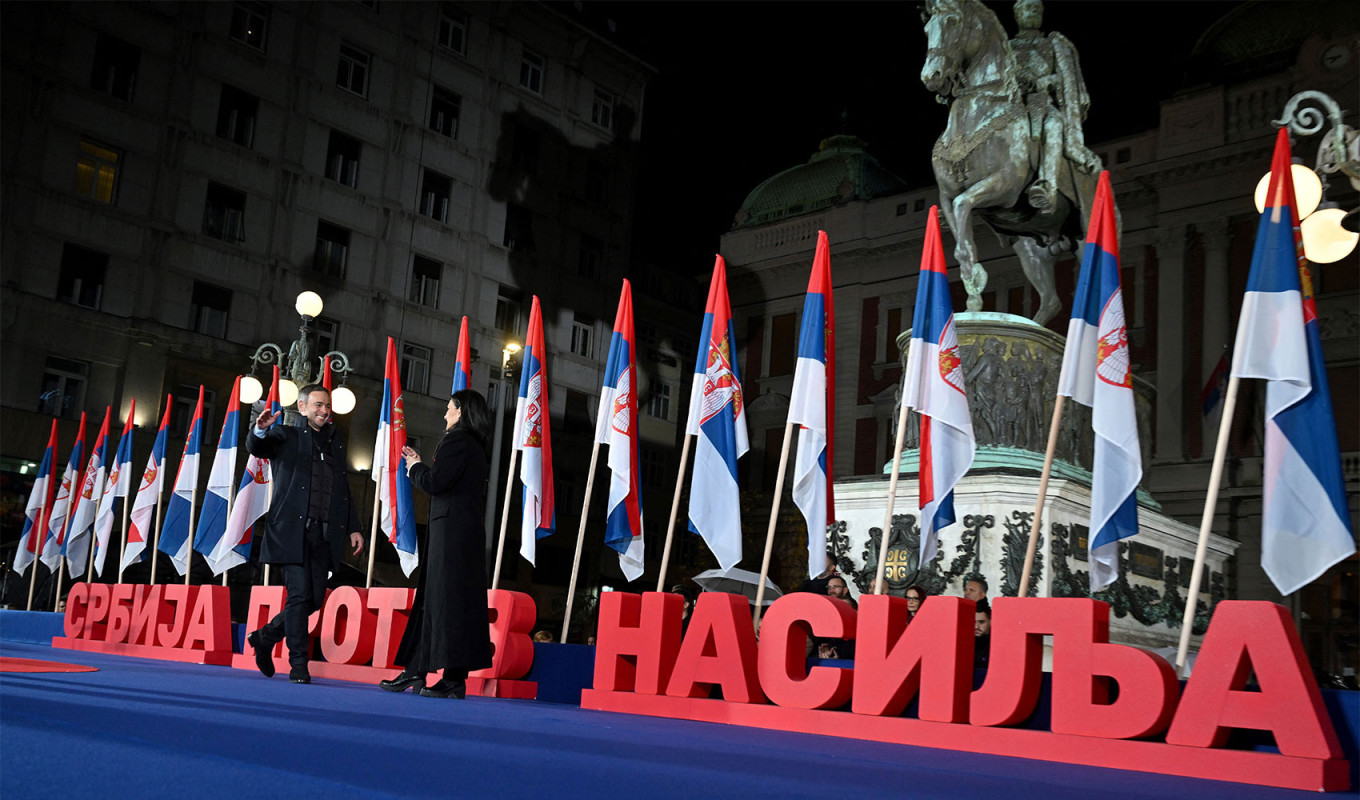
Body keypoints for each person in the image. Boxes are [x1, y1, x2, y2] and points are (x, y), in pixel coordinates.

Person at [379, 389, 493, 699]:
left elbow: (436, 483)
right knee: (443, 601)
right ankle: (424, 671)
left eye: (449, 408)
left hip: (451, 536)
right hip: (462, 535)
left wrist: (415, 467)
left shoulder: (457, 441)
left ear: (461, 412)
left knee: (444, 602)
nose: (445, 415)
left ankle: (443, 677)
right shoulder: (475, 446)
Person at [246, 385, 363, 684]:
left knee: (312, 600)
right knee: (298, 596)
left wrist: (353, 527)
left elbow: (342, 490)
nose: (324, 410)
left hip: (323, 536)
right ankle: (299, 663)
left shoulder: (336, 444)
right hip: (290, 532)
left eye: (327, 406)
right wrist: (259, 430)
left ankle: (265, 636)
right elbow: (258, 448)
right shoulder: (286, 435)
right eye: (318, 405)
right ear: (302, 407)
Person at [974, 600, 992, 670]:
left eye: (981, 622)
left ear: (990, 622)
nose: (976, 626)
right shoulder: (964, 642)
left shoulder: (996, 645)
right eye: (973, 622)